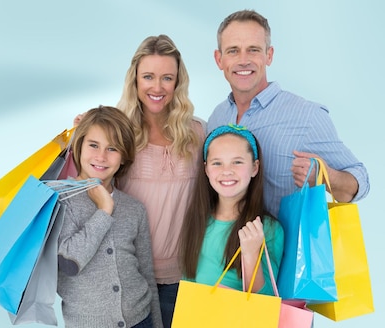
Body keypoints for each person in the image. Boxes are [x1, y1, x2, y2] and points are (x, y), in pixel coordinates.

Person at [72, 35, 205, 327]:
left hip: (185, 279)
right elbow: (82, 186)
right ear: (134, 79)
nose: (157, 87)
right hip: (122, 277)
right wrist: (78, 139)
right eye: (148, 76)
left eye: (167, 78)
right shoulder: (116, 133)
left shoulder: (199, 134)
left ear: (178, 82)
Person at [208, 9, 369, 217]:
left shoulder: (307, 116)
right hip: (226, 249)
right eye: (233, 51)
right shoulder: (217, 119)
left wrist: (325, 177)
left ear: (269, 55)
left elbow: (361, 182)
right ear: (219, 59)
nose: (243, 60)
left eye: (253, 50)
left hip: (284, 248)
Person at [57, 106, 162, 328]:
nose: (101, 157)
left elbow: (146, 275)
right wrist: (104, 210)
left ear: (123, 157)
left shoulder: (134, 209)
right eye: (93, 145)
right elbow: (68, 262)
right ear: (79, 146)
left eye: (112, 148)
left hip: (141, 320)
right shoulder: (59, 202)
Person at [178, 124, 284, 295]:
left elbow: (265, 302)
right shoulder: (198, 220)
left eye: (237, 162)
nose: (226, 171)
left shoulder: (268, 229)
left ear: (254, 167)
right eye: (217, 163)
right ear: (206, 169)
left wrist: (251, 255)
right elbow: (188, 283)